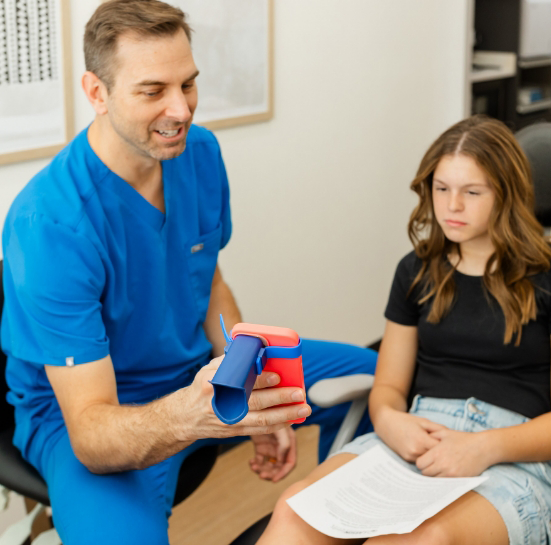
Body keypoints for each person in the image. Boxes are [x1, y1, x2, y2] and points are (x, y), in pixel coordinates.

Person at [0, 1, 376, 543]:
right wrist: (202, 414)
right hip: (87, 413)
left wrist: (244, 381)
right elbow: (92, 433)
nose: (181, 109)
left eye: (189, 84)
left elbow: (209, 280)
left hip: (196, 373)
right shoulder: (50, 223)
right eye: (153, 91)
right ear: (96, 92)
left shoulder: (196, 153)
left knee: (379, 379)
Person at [257, 115, 551, 545]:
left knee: (420, 539)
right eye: (442, 189)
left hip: (512, 459)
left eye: (472, 192)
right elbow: (388, 388)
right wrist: (389, 420)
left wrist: (482, 447)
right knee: (293, 511)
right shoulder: (416, 271)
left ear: (506, 195)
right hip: (414, 439)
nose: (452, 206)